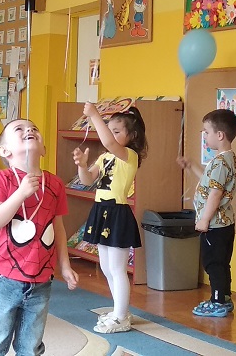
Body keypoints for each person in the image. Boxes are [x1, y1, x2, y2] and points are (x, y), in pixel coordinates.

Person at [0, 118, 78, 356]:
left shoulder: (55, 184)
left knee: (31, 346)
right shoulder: (0, 179)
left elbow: (58, 228)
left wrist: (65, 266)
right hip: (4, 278)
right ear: (5, 151)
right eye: (19, 129)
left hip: (42, 280)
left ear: (43, 149)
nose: (29, 130)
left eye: (34, 128)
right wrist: (21, 193)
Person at [71, 103, 147, 334]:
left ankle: (121, 316)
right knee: (106, 267)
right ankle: (119, 311)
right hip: (101, 210)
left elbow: (109, 143)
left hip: (117, 213)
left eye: (117, 131)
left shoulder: (129, 155)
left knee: (117, 268)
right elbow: (87, 180)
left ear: (132, 136)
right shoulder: (105, 157)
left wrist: (95, 115)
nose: (111, 135)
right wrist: (82, 166)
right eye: (110, 130)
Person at [176, 108, 236, 318]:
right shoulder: (226, 158)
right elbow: (210, 181)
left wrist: (204, 219)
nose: (204, 136)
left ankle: (218, 301)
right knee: (221, 263)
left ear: (219, 135)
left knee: (213, 264)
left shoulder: (221, 162)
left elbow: (215, 193)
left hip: (215, 225)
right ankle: (224, 298)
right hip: (224, 223)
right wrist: (192, 165)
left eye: (206, 132)